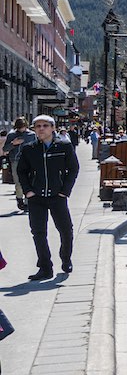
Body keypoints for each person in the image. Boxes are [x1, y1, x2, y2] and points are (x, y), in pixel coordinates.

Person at [16, 115, 79, 280]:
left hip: (57, 196)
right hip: (36, 198)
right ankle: (45, 267)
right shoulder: (29, 149)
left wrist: (65, 191)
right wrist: (28, 191)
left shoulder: (64, 146)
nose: (41, 129)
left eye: (45, 125)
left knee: (66, 230)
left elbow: (73, 169)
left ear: (53, 128)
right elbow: (21, 171)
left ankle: (65, 258)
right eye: (37, 126)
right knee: (38, 232)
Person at [5, 117, 36, 213]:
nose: (21, 130)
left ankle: (27, 202)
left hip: (29, 161)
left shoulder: (31, 135)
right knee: (18, 182)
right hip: (16, 160)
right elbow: (5, 149)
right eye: (19, 128)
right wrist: (13, 144)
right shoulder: (11, 135)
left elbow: (37, 146)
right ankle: (19, 198)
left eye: (22, 127)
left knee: (30, 181)